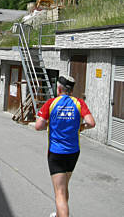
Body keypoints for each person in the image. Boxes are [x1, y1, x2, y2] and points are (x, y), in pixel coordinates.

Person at [35, 75, 95, 217]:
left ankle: (61, 213)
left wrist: (49, 124)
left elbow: (38, 126)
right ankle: (59, 214)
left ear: (59, 88)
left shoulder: (51, 103)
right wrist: (81, 127)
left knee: (59, 193)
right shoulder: (79, 103)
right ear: (72, 90)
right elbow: (91, 123)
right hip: (73, 152)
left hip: (56, 153)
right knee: (64, 186)